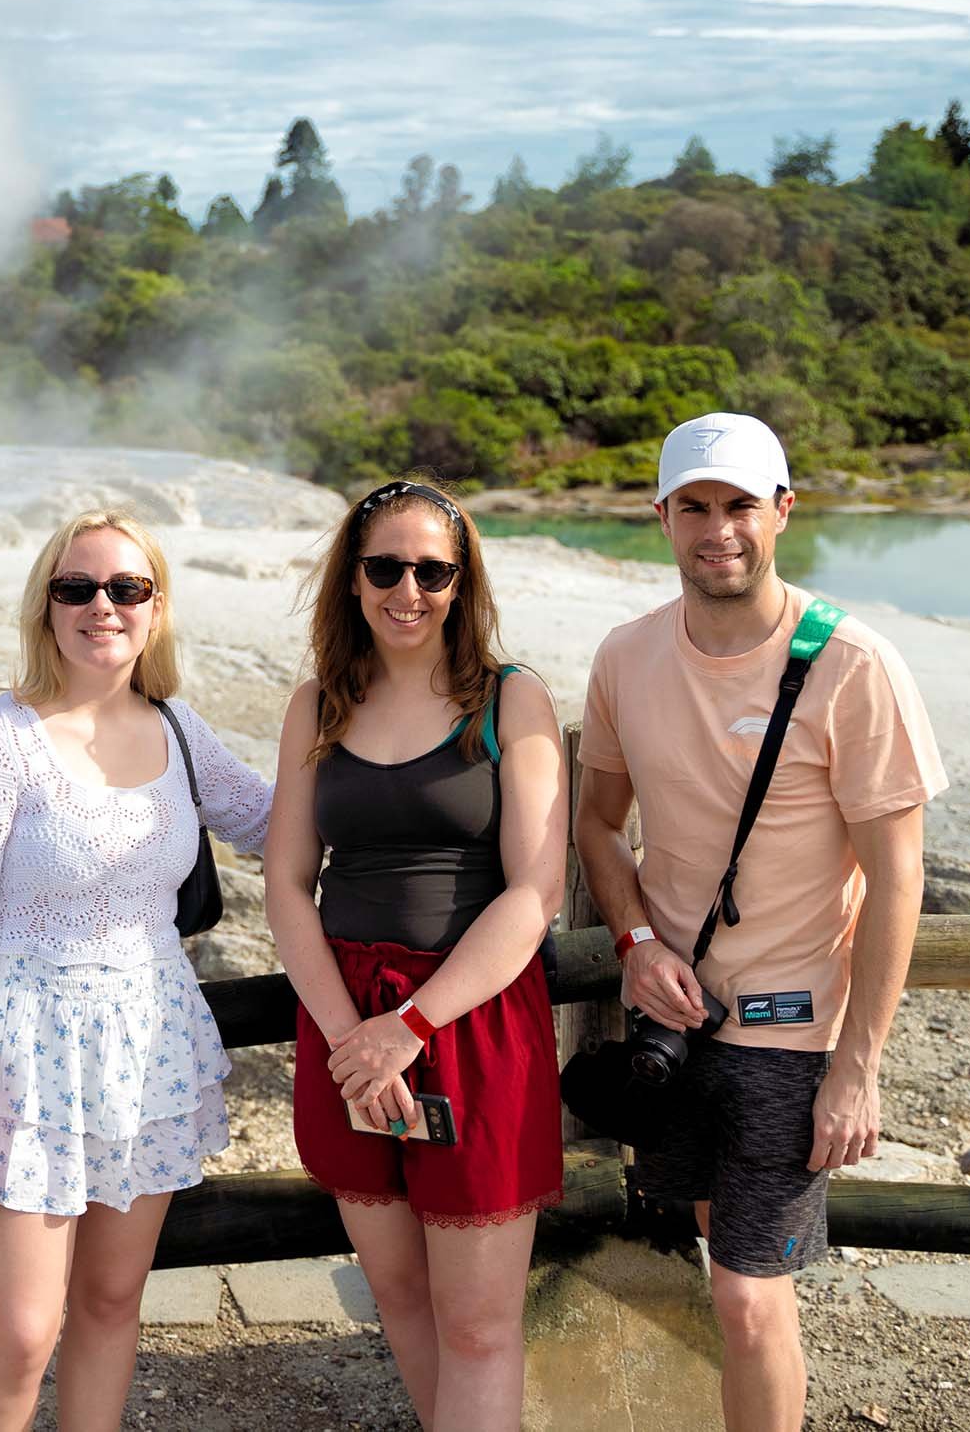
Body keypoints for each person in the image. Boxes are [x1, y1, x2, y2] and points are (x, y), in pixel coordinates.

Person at [575, 414, 946, 1432]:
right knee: (717, 1254)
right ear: (661, 518)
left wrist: (858, 1066)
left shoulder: (854, 665)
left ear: (783, 511)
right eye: (693, 506)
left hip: (791, 1032)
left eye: (739, 504)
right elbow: (598, 824)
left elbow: (898, 878)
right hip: (674, 1021)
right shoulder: (626, 656)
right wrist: (636, 945)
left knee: (745, 1296)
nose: (717, 529)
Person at [0, 509, 272, 1432]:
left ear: (156, 608)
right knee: (24, 1328)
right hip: (21, 1056)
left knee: (112, 1304)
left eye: (126, 588)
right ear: (46, 607)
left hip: (149, 1042)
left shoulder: (178, 727)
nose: (101, 605)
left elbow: (276, 823)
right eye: (77, 587)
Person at [262, 476, 568, 1430]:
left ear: (461, 578)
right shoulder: (318, 704)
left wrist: (411, 1025)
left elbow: (536, 892)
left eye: (433, 570)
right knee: (400, 1298)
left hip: (470, 1017)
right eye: (386, 567)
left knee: (478, 1324)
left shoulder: (512, 699)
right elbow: (285, 885)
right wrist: (355, 1035)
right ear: (352, 579)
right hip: (347, 1024)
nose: (409, 589)